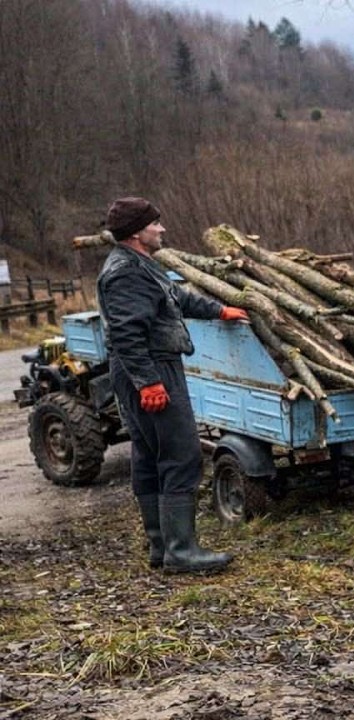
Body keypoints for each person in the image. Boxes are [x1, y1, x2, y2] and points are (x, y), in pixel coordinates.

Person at [97, 197, 249, 573]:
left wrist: (218, 310)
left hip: (145, 368)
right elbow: (127, 332)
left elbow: (174, 298)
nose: (162, 229)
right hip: (150, 369)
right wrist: (148, 382)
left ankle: (162, 548)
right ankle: (181, 551)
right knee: (181, 454)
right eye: (155, 224)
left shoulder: (139, 265)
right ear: (137, 233)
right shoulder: (125, 273)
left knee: (151, 455)